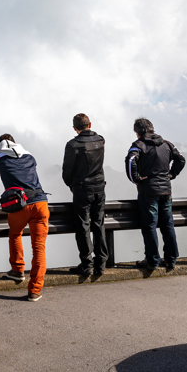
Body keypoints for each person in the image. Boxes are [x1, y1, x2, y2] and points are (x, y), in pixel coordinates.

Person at [0, 134, 50, 302]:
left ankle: (18, 270)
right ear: (14, 142)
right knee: (39, 248)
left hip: (20, 205)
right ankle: (34, 291)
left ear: (0, 145)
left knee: (15, 234)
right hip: (40, 203)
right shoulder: (29, 154)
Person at [124, 118, 186, 270]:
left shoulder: (139, 145)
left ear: (137, 132)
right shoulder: (167, 144)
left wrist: (136, 179)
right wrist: (171, 174)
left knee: (149, 226)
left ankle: (152, 260)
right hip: (166, 190)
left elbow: (131, 160)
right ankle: (171, 259)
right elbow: (181, 159)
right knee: (167, 225)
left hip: (148, 191)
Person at [62, 113, 107, 277]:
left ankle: (87, 264)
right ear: (90, 124)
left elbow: (67, 170)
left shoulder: (73, 144)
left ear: (75, 128)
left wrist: (70, 184)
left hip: (82, 189)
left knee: (83, 226)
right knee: (99, 224)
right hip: (100, 188)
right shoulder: (100, 140)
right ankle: (101, 264)